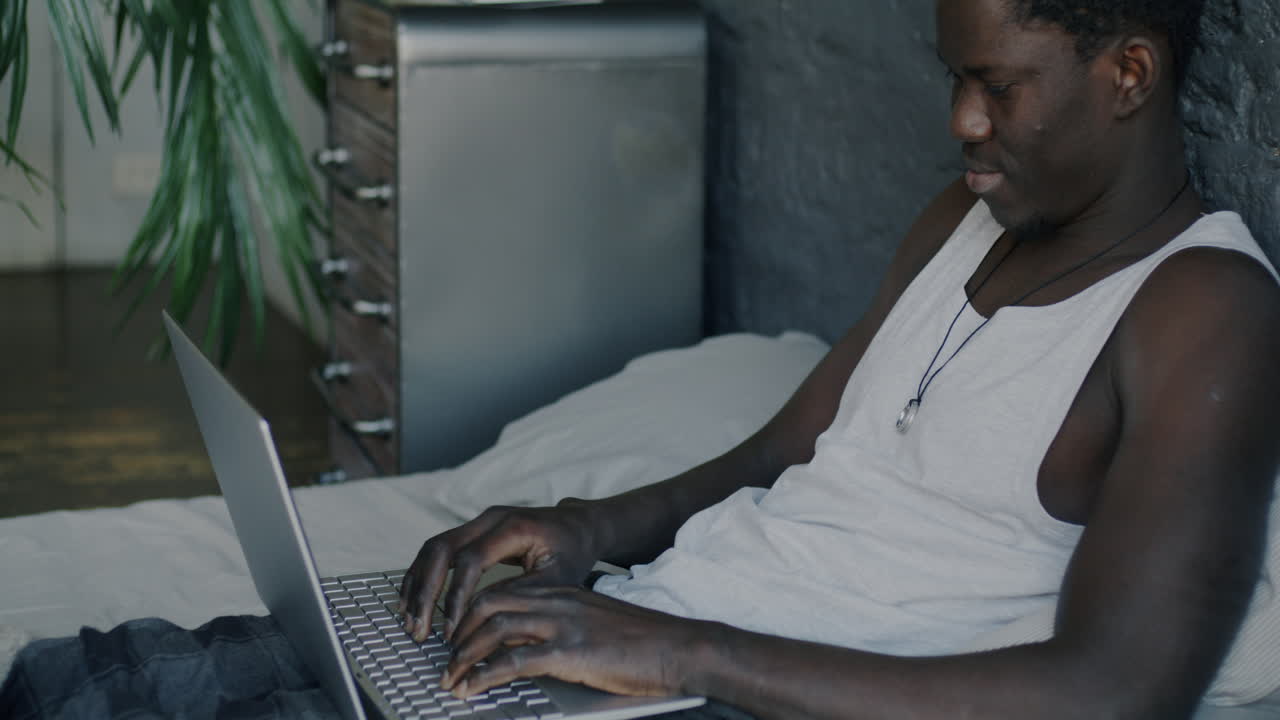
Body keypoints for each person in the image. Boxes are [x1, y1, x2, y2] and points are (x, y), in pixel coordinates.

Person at [397, 0, 1280, 718]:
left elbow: (1117, 692)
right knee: (294, 659)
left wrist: (683, 656)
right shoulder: (964, 223)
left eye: (998, 85)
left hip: (727, 689)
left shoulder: (1205, 307)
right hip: (653, 633)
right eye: (955, 78)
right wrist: (584, 528)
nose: (961, 120)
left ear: (1127, 75)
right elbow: (785, 455)